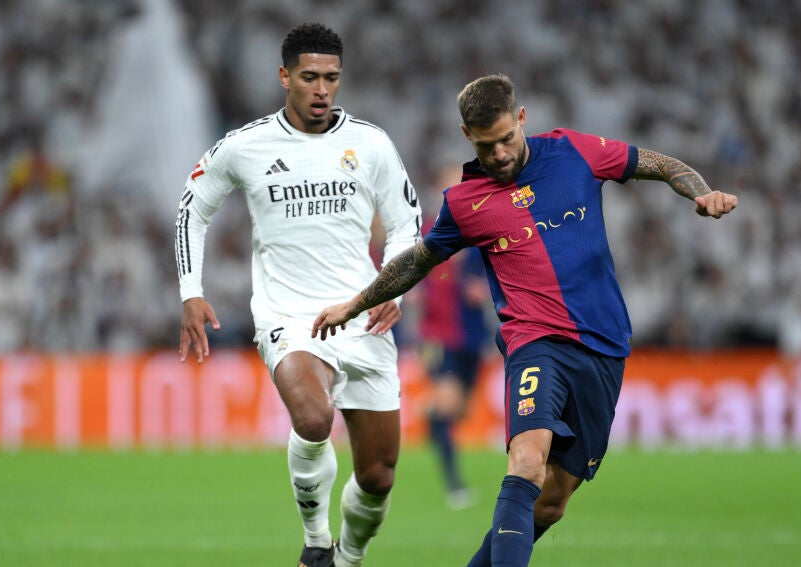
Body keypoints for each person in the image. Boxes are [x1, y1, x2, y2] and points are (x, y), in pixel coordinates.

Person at [312, 73, 737, 566]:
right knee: (527, 461)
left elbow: (660, 163)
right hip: (535, 343)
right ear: (466, 135)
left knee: (550, 504)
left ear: (521, 118)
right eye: (485, 145)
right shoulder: (464, 203)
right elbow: (418, 261)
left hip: (604, 347)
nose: (498, 155)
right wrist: (355, 304)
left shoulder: (575, 152)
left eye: (506, 139)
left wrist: (701, 192)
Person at [176, 23, 421, 567]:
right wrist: (191, 291)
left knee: (378, 477)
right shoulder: (246, 145)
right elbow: (192, 207)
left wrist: (396, 286)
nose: (322, 89)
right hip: (289, 315)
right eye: (310, 77)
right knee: (312, 417)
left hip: (363, 316)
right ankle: (315, 542)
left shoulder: (371, 143)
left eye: (332, 78)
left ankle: (347, 557)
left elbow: (407, 224)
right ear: (284, 76)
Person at [416, 164, 494, 508]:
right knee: (449, 404)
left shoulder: (482, 231)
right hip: (437, 334)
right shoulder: (426, 231)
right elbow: (410, 272)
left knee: (458, 411)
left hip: (472, 335)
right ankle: (454, 485)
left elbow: (498, 271)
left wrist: (485, 288)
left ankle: (429, 413)